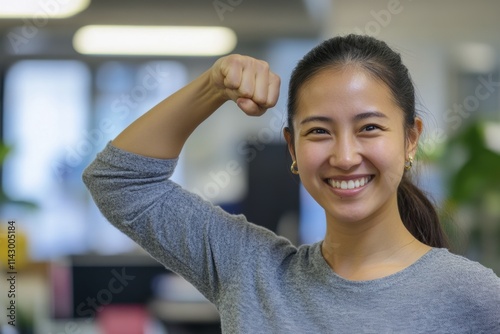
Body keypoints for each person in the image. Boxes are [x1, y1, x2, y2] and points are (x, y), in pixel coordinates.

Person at [83, 34, 500, 333]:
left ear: (411, 139)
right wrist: (213, 86)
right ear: (292, 147)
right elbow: (119, 182)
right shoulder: (250, 272)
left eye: (369, 127)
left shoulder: (474, 296)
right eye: (319, 131)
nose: (344, 156)